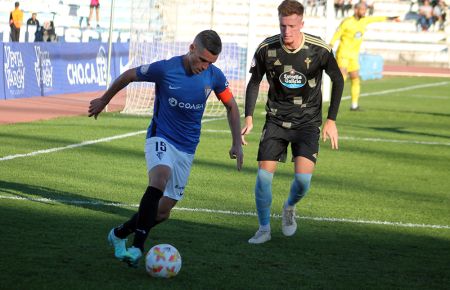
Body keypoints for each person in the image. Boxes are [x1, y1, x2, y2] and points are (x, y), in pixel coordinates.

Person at [88, 30, 243, 266]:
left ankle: (119, 233)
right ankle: (138, 247)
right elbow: (129, 75)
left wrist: (236, 143)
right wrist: (104, 100)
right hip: (160, 136)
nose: (204, 66)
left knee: (162, 213)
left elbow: (231, 106)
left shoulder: (215, 76)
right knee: (159, 180)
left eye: (210, 62)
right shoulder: (166, 68)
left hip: (187, 147)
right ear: (192, 48)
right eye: (202, 59)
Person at [241, 0, 344, 244]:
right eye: (282, 25)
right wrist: (248, 116)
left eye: (291, 26)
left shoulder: (319, 49)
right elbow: (254, 82)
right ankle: (264, 229)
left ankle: (289, 208)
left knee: (302, 182)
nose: (286, 31)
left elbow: (338, 80)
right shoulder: (267, 48)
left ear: (301, 24)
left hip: (307, 123)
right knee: (263, 179)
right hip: (276, 120)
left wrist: (331, 120)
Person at [330, 2, 399, 111]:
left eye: (365, 10)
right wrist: (331, 45)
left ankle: (354, 105)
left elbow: (377, 19)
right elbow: (337, 34)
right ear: (356, 10)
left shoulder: (364, 20)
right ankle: (334, 104)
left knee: (355, 79)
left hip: (354, 55)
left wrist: (390, 18)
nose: (364, 11)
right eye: (362, 9)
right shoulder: (347, 22)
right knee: (341, 79)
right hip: (343, 53)